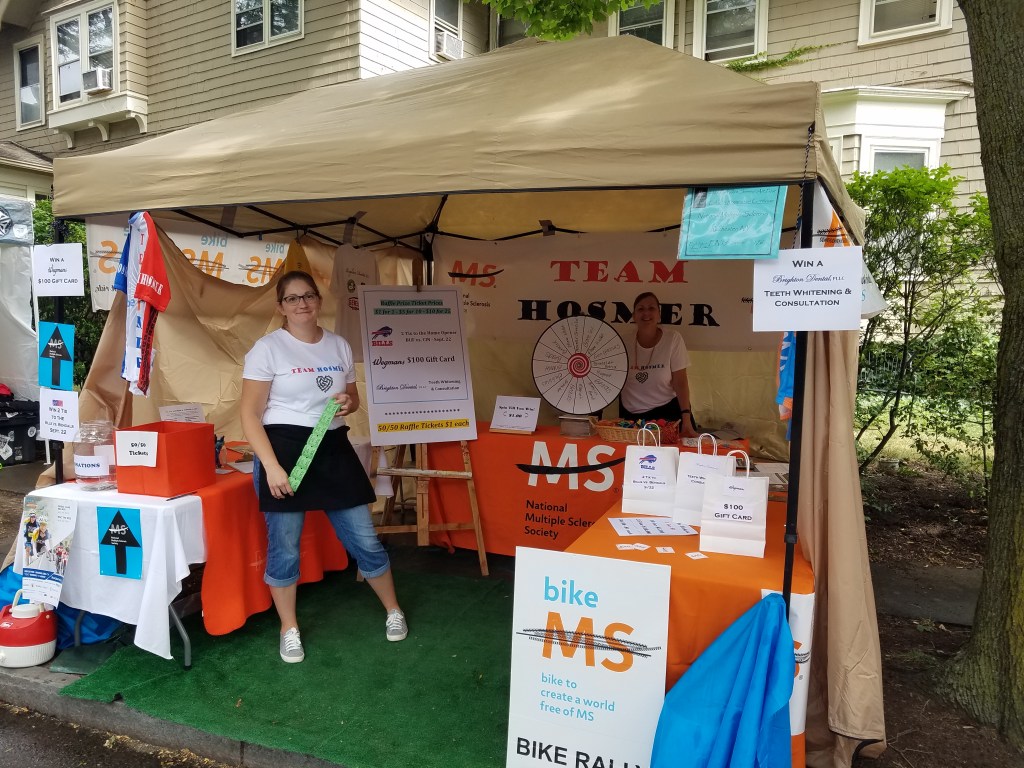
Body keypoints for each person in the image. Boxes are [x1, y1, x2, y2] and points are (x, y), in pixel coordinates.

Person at [240, 270, 407, 664]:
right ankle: (289, 629)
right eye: (292, 298)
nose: (302, 304)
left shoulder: (338, 345)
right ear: (281, 307)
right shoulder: (267, 349)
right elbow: (248, 414)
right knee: (285, 547)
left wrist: (350, 403)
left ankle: (393, 610)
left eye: (308, 296)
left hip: (332, 447)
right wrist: (271, 466)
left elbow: (352, 397)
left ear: (318, 300)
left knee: (364, 538)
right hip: (283, 452)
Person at [619, 292, 699, 438]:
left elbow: (680, 382)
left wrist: (686, 418)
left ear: (659, 315)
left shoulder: (673, 338)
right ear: (634, 316)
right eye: (641, 309)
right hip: (632, 419)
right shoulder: (622, 342)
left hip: (667, 415)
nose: (646, 313)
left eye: (651, 308)